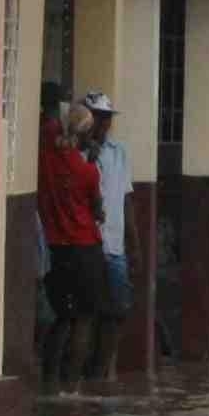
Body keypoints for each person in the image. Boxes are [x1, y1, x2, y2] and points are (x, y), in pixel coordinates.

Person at [33, 90, 110, 387]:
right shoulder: (88, 171)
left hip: (55, 249)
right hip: (86, 249)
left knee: (62, 317)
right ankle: (72, 386)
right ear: (86, 134)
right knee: (84, 318)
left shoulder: (46, 157)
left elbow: (53, 124)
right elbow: (98, 211)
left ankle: (49, 383)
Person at [86, 92, 136, 379]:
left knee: (119, 309)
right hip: (87, 242)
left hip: (115, 245)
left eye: (106, 118)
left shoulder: (119, 152)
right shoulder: (78, 153)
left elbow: (126, 199)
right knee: (87, 311)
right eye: (97, 117)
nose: (103, 124)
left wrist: (134, 242)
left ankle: (100, 371)